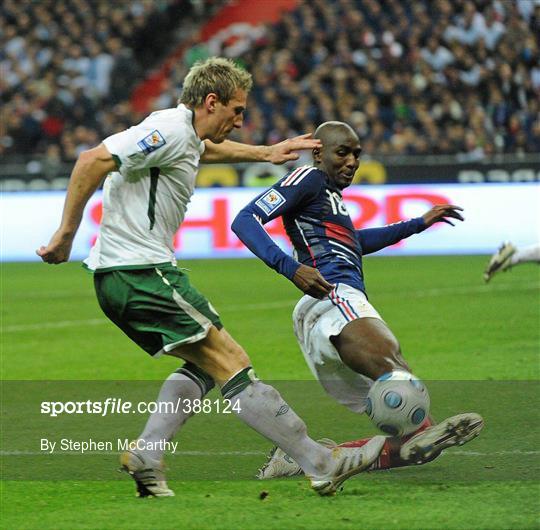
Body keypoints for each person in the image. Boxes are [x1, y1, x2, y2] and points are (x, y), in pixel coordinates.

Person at [37, 59, 386, 497]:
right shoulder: (170, 128)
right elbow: (93, 160)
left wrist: (264, 152)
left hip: (124, 275)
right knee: (233, 364)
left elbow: (204, 150)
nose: (240, 121)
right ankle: (319, 461)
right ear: (211, 101)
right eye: (236, 111)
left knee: (204, 366)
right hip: (141, 271)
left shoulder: (185, 135)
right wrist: (65, 234)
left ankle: (147, 452)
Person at [231, 121, 484, 479]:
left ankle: (305, 459)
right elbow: (245, 219)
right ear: (318, 153)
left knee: (419, 435)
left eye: (356, 154)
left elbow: (355, 242)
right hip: (333, 297)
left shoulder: (331, 198)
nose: (351, 161)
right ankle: (414, 434)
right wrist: (290, 268)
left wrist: (417, 223)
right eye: (342, 152)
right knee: (397, 370)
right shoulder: (309, 178)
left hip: (328, 311)